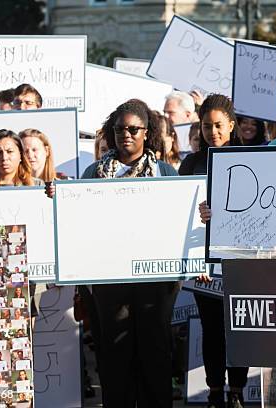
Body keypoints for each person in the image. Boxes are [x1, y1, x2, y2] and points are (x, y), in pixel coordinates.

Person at [47, 99, 179, 408]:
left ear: (147, 132)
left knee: (154, 355)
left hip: (153, 283)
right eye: (120, 129)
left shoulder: (165, 172)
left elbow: (179, 218)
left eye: (134, 129)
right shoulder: (94, 172)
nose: (127, 134)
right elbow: (79, 219)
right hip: (110, 283)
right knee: (114, 358)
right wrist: (62, 197)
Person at [179, 94, 246, 408]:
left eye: (219, 125)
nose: (214, 132)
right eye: (207, 126)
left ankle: (237, 390)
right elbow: (179, 210)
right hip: (202, 262)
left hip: (238, 260)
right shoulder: (191, 163)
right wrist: (197, 215)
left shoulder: (250, 157)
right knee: (211, 328)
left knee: (238, 326)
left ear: (231, 125)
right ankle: (215, 391)